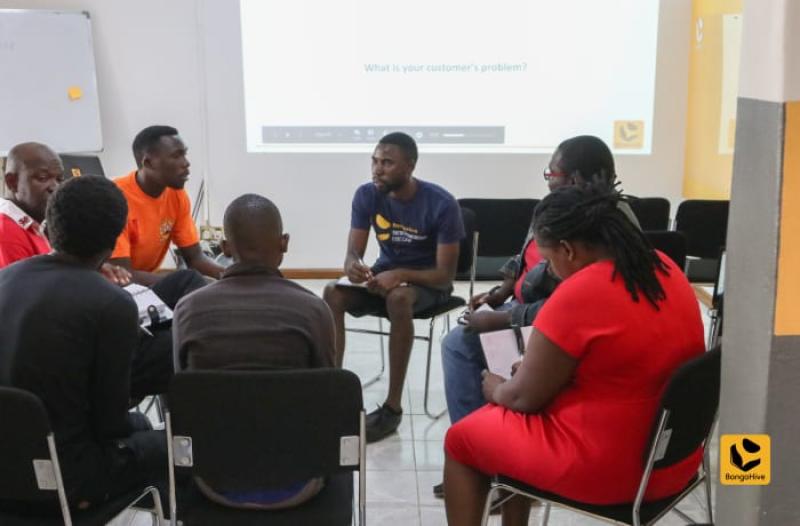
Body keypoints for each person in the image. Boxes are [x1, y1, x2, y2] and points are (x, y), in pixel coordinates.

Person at [443, 184, 705, 526]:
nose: (550, 271)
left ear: (568, 250)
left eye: (549, 261)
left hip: (616, 470)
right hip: (674, 460)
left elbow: (522, 398)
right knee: (503, 427)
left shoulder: (580, 292)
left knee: (462, 439)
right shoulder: (661, 265)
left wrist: (496, 388)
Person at [440, 136, 641, 438]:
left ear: (574, 180)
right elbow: (525, 255)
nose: (548, 180)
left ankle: (477, 441)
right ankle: (482, 434)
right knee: (467, 341)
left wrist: (503, 319)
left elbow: (574, 305)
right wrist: (502, 291)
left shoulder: (604, 227)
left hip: (544, 318)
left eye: (552, 173)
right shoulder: (558, 208)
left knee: (459, 344)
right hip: (525, 307)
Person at [0, 175, 166, 512]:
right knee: (171, 446)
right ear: (115, 240)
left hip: (8, 468)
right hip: (68, 483)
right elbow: (110, 425)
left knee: (140, 427)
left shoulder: (5, 279)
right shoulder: (111, 304)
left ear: (48, 229)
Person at [172, 193, 334, 509]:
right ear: (284, 243)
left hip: (213, 477)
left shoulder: (188, 310)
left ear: (225, 248)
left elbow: (181, 394)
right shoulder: (314, 310)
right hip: (299, 477)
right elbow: (326, 396)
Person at [323, 132, 465, 443]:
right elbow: (353, 252)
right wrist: (353, 265)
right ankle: (332, 391)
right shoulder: (366, 195)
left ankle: (392, 408)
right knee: (333, 292)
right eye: (375, 161)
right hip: (385, 277)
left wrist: (400, 274)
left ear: (410, 166)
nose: (377, 169)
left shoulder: (441, 204)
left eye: (387, 163)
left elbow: (444, 276)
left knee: (398, 298)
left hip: (428, 284)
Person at [109, 125, 224, 288]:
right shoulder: (115, 199)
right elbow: (122, 276)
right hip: (114, 288)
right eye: (176, 156)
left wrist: (233, 275)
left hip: (146, 283)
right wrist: (187, 283)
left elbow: (195, 258)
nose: (186, 163)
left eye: (184, 154)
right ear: (149, 163)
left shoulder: (176, 195)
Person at [0, 142, 129, 285]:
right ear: (12, 182)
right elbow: (30, 291)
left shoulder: (37, 220)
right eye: (43, 178)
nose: (55, 187)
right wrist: (89, 279)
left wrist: (93, 268)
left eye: (59, 179)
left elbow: (56, 268)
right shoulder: (6, 232)